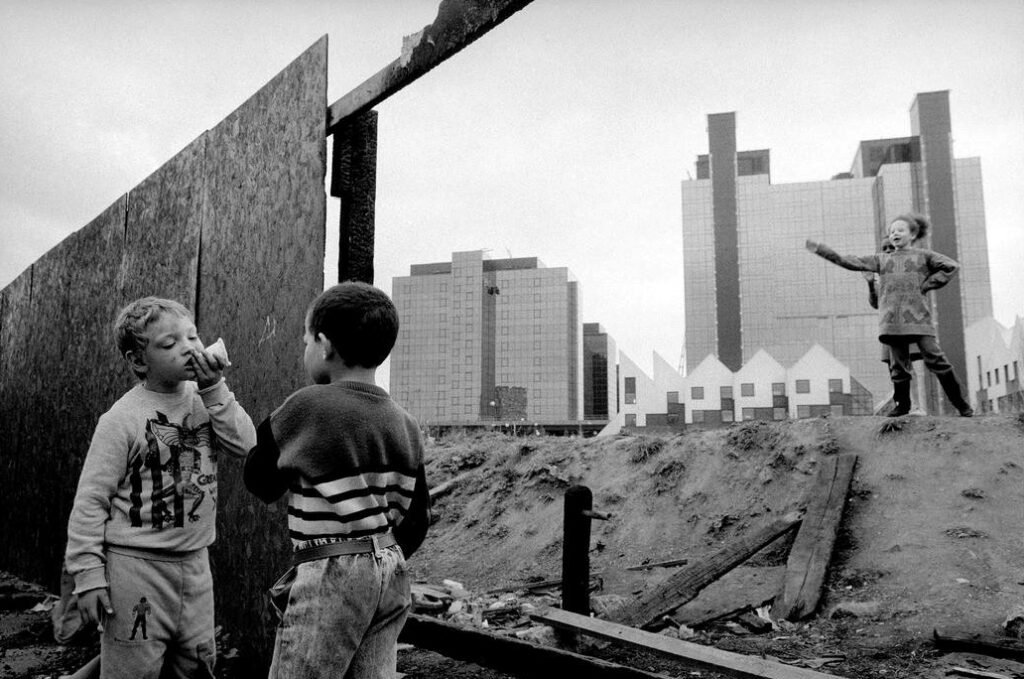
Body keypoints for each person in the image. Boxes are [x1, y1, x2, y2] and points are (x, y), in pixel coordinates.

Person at [244, 281, 431, 679]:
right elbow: (418, 519)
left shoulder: (306, 408)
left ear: (325, 345)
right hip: (390, 569)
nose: (306, 349)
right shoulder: (405, 423)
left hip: (333, 570)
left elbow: (260, 481)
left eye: (306, 340)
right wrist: (377, 558)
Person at [64, 297, 257, 679]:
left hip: (195, 564)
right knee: (132, 667)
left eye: (193, 337)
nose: (188, 347)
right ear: (139, 360)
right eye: (169, 344)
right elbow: (90, 501)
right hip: (135, 568)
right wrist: (87, 575)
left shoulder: (207, 401)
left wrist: (215, 388)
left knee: (197, 663)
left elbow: (247, 446)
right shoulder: (121, 419)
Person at [806, 212, 974, 418]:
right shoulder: (881, 259)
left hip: (919, 320)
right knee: (898, 368)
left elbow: (951, 266)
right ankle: (902, 406)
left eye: (900, 230)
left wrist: (927, 284)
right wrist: (821, 249)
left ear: (912, 234)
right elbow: (849, 261)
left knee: (938, 361)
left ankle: (963, 406)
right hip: (891, 322)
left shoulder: (924, 256)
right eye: (892, 231)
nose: (895, 234)